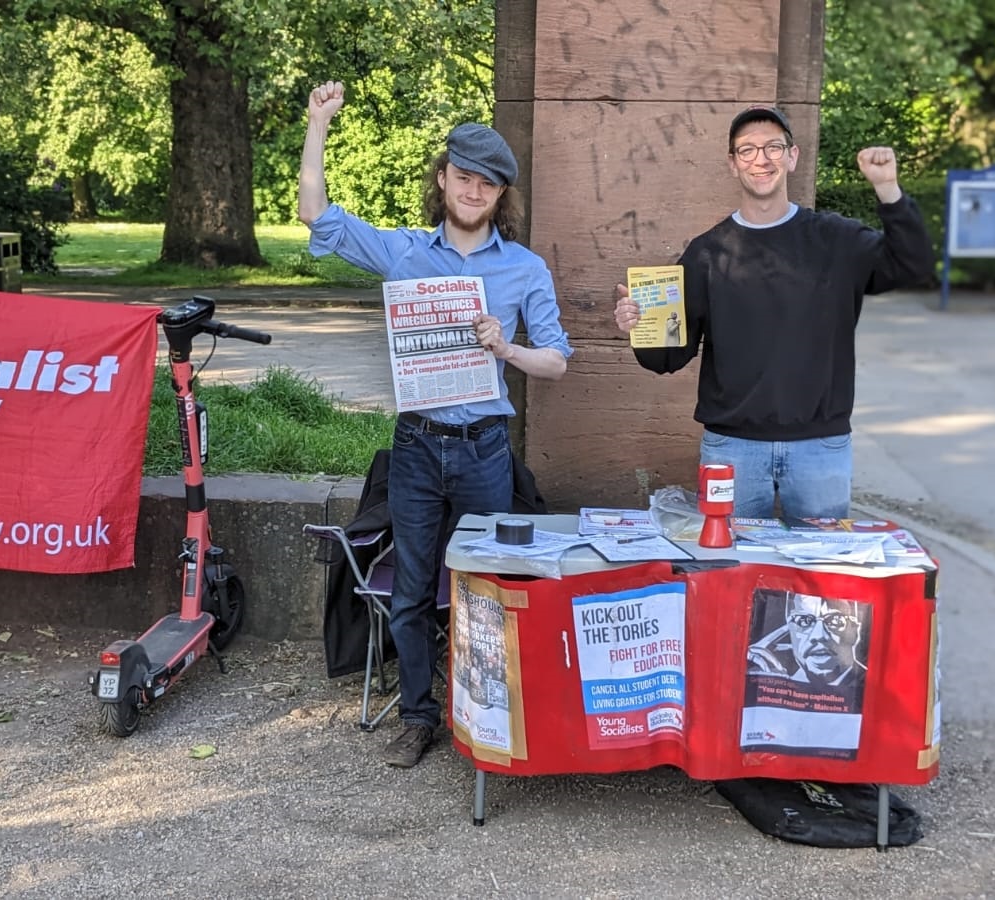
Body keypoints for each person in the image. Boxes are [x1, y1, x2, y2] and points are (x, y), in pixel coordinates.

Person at [299, 80, 572, 768]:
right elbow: (315, 215)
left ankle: (483, 713)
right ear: (443, 179)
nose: (473, 190)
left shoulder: (525, 269)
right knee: (416, 587)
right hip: (418, 447)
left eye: (489, 183)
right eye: (463, 176)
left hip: (484, 451)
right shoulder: (405, 253)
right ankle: (419, 716)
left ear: (502, 196)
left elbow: (558, 363)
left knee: (483, 588)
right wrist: (318, 125)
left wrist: (506, 349)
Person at [613, 105, 935, 519]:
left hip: (820, 446)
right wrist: (641, 326)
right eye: (746, 150)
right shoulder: (706, 253)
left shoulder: (834, 239)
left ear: (792, 156)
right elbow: (668, 358)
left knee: (820, 573)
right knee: (727, 570)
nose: (760, 159)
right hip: (732, 448)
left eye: (772, 147)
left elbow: (913, 265)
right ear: (732, 164)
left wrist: (888, 189)